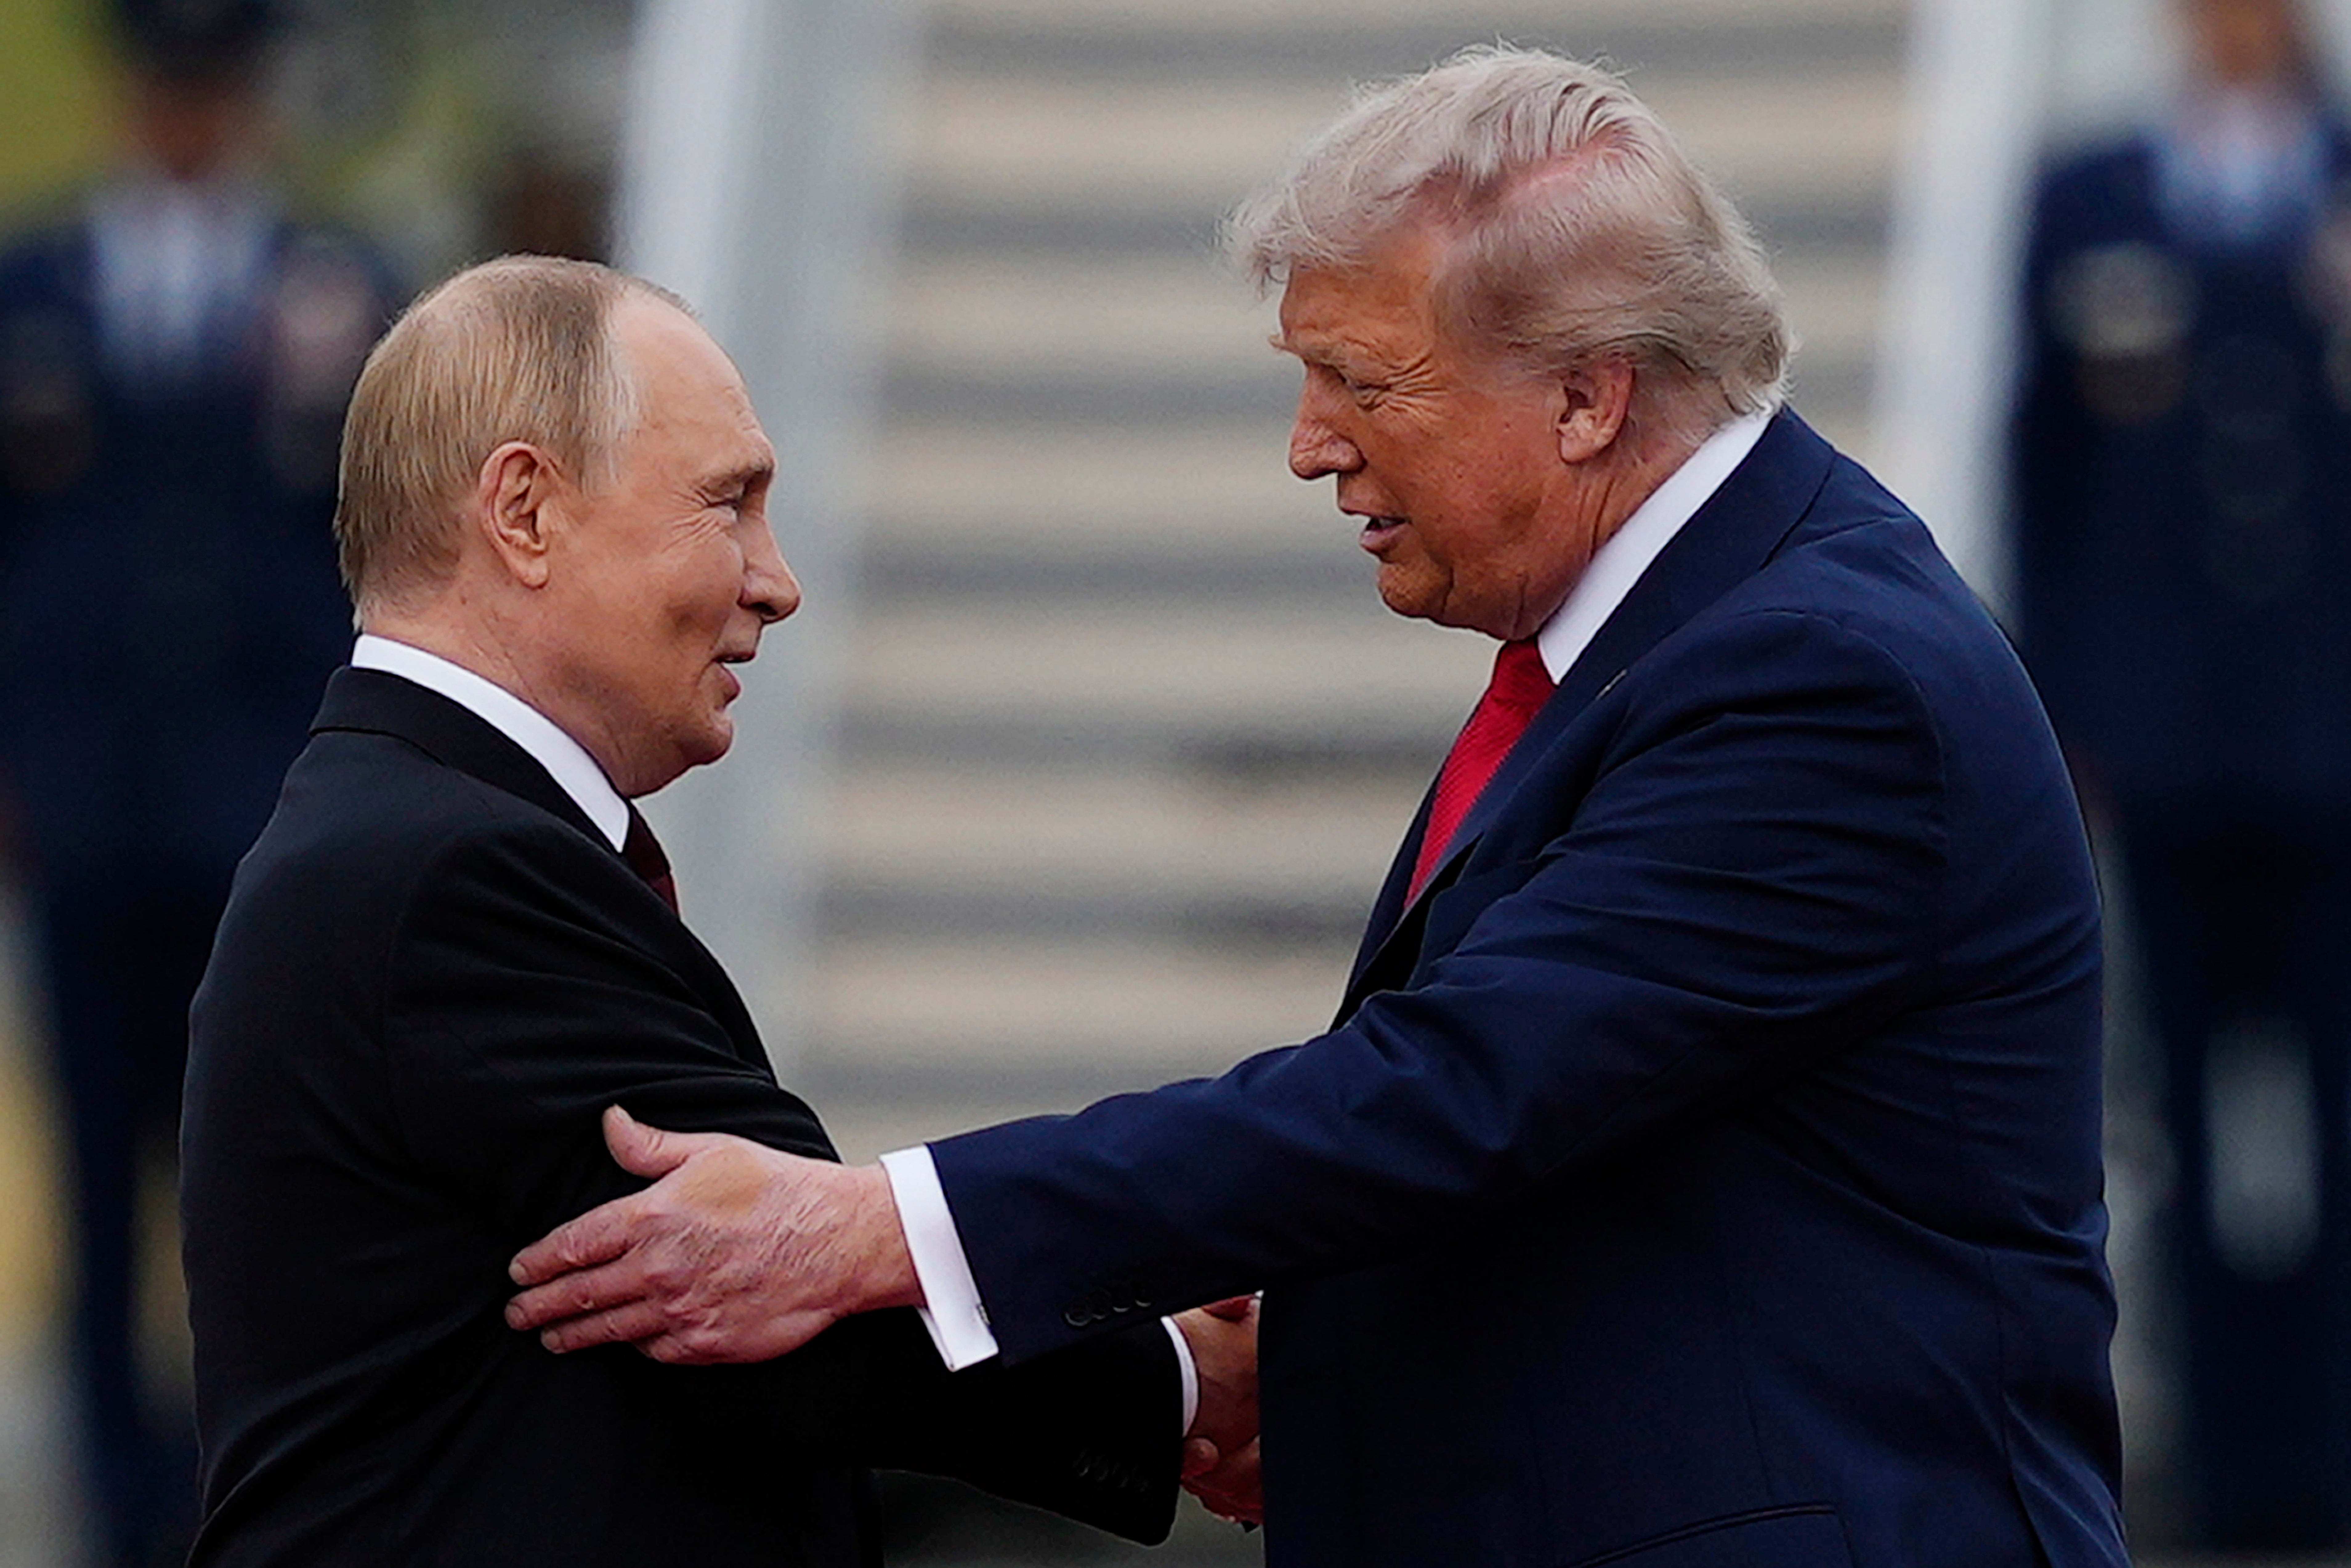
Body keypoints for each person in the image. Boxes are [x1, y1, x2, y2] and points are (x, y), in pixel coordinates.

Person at [508, 47, 2129, 1568]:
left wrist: (880, 1229)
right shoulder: (1679, 633)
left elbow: (1453, 1090)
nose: (1309, 448)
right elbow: (1605, 1135)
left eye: (1362, 378)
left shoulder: (1817, 677)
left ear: (1588, 397)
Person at [179, 256, 1253, 1565]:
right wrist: (1188, 1381)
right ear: (523, 510)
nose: (776, 581)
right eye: (727, 505)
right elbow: (777, 1296)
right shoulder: (453, 875)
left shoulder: (412, 832)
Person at [0, 2, 397, 1559]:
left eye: (212, 85)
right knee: (97, 1183)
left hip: (265, 809)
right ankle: (116, 1514)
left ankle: (253, 1505)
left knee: (256, 1178)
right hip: (86, 800)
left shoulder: (338, 280)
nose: (189, 115)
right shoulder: (35, 282)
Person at [2011, 0, 2351, 1549]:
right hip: (2169, 745)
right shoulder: (2093, 196)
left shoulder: (2333, 178)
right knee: (2186, 1111)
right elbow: (2046, 477)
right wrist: (2064, 715)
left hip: (2334, 738)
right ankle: (2230, 1459)